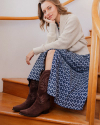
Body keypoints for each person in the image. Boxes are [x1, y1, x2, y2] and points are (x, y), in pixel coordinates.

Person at [12, 0, 90, 117]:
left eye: (49, 8)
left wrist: (34, 50)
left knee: (49, 51)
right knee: (47, 52)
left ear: (57, 6)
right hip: (67, 58)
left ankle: (41, 101)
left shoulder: (71, 19)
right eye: (44, 11)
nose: (47, 13)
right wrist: (52, 26)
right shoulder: (56, 24)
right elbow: (50, 47)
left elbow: (62, 44)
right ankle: (33, 98)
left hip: (80, 61)